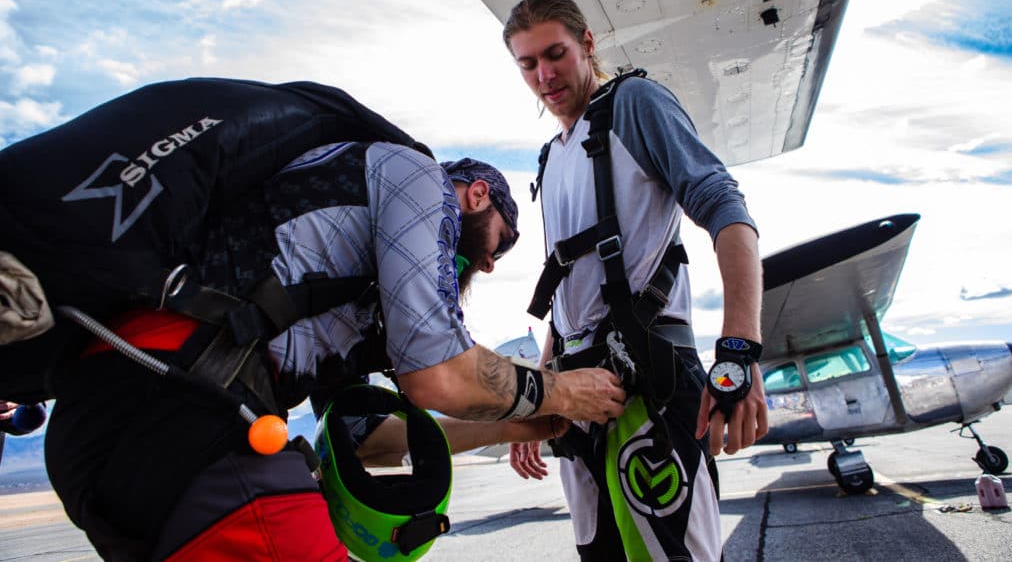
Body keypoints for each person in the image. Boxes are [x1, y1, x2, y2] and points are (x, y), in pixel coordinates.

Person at [43, 136, 626, 560]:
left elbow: (365, 439)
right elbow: (440, 377)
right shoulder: (419, 180)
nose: (492, 262)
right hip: (176, 398)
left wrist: (505, 428)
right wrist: (564, 392)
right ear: (476, 194)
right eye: (501, 240)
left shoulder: (349, 297)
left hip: (119, 431)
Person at [502, 0, 768, 561]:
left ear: (587, 44)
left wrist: (739, 348)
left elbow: (727, 210)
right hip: (575, 396)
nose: (544, 75)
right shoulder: (551, 157)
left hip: (647, 380)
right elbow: (567, 297)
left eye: (555, 54)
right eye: (528, 64)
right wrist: (540, 394)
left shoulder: (635, 104)